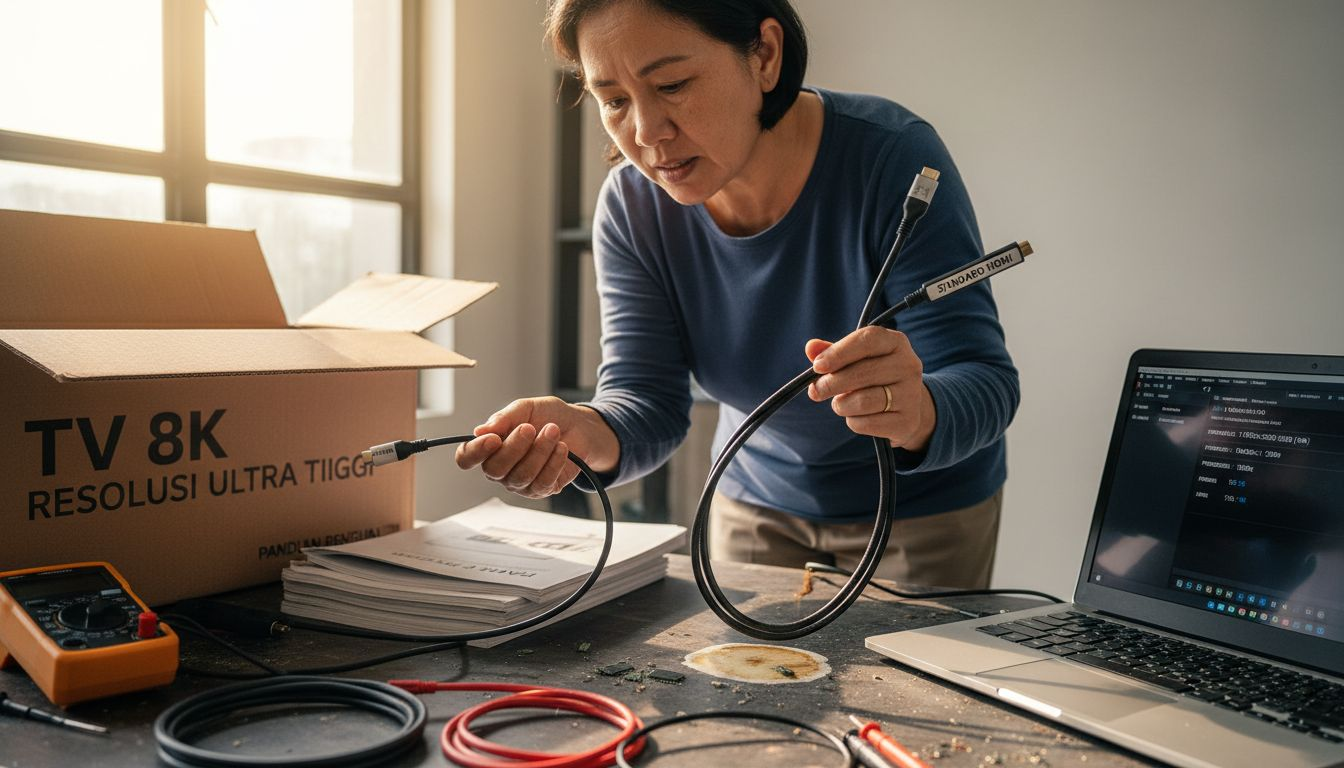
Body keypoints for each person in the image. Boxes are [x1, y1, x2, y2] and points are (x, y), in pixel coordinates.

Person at [455, 0, 1019, 588]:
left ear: (765, 56)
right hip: (753, 504)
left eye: (672, 84)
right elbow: (646, 400)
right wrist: (581, 432)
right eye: (615, 101)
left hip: (922, 513)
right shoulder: (632, 208)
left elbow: (985, 379)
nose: (645, 134)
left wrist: (918, 411)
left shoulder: (893, 160)